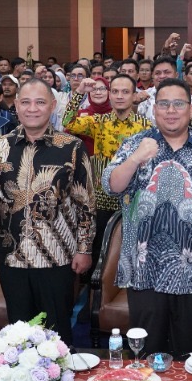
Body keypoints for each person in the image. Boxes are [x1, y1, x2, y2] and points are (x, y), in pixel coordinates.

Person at [104, 80, 192, 359]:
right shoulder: (136, 144)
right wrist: (135, 159)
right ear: (154, 109)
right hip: (143, 268)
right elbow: (112, 186)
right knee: (145, 351)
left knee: (187, 351)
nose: (171, 110)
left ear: (191, 109)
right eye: (164, 104)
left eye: (178, 104)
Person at [0, 78, 95, 335]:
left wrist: (84, 249)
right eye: (26, 102)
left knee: (57, 332)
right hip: (11, 257)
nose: (32, 108)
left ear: (52, 106)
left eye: (40, 102)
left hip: (57, 257)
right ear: (16, 105)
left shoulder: (72, 147)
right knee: (18, 332)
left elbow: (85, 203)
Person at [64, 73, 152, 252]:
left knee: (131, 250)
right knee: (98, 249)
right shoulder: (98, 122)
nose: (119, 96)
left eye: (125, 92)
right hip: (102, 199)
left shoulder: (146, 127)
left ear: (134, 96)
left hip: (133, 200)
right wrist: (80, 92)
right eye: (115, 91)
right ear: (110, 95)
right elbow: (68, 121)